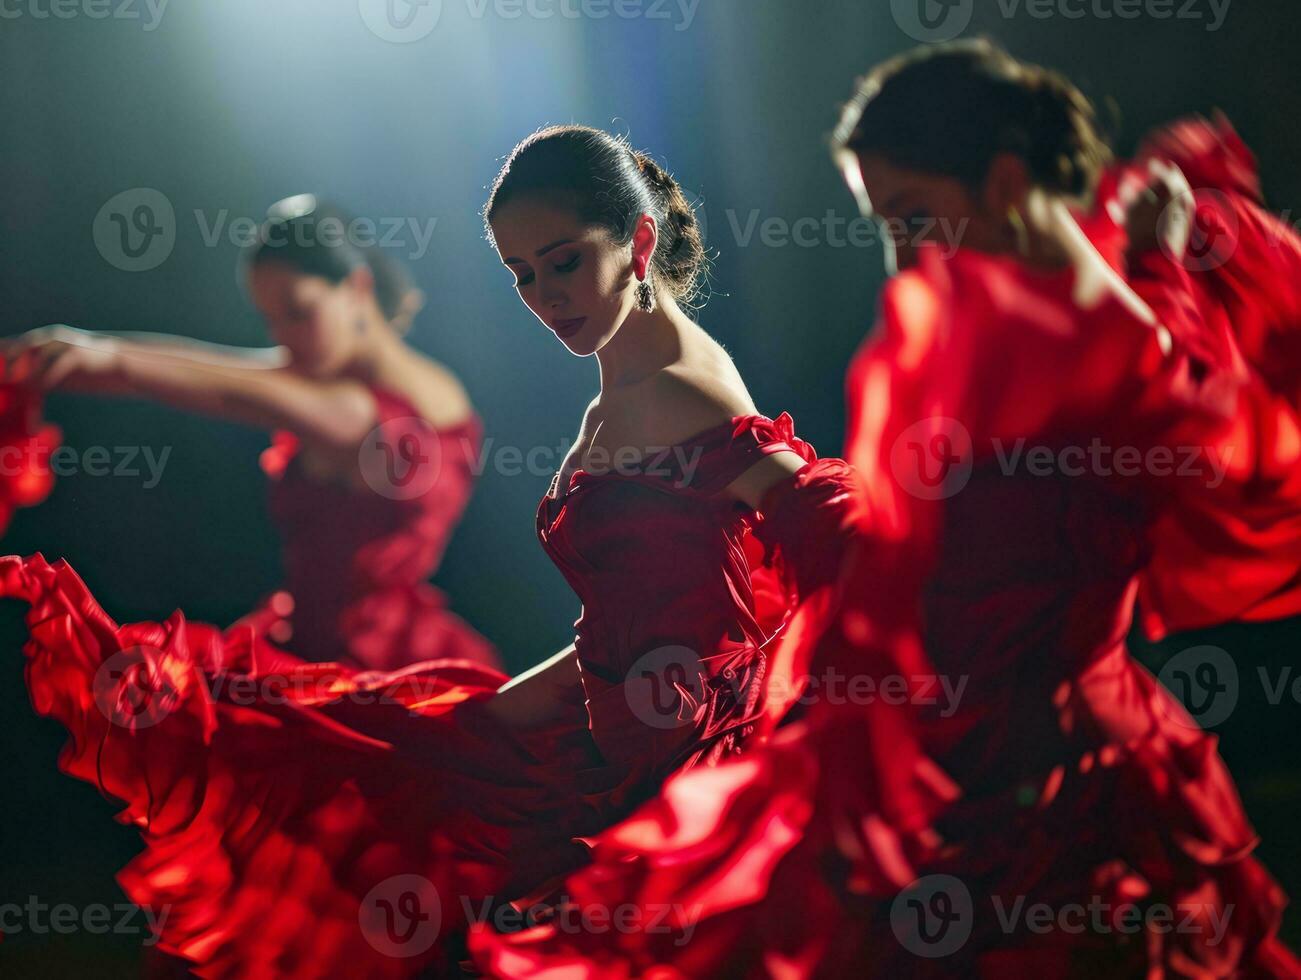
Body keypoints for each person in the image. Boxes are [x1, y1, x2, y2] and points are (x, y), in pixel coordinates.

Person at [470, 41, 1301, 978]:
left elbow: (886, 539)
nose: (899, 252)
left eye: (910, 215)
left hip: (1052, 754)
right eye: (882, 223)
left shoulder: (1102, 336)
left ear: (996, 181)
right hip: (954, 737)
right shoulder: (973, 328)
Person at [0, 139, 852, 976]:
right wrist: (496, 715)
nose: (544, 296)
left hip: (668, 769)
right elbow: (644, 609)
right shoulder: (630, 384)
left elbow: (819, 519)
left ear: (636, 242)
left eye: (562, 263)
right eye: (521, 274)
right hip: (603, 740)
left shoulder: (670, 387)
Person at [3, 195, 497, 672]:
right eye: (272, 320)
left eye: (299, 312)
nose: (284, 336)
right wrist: (68, 356)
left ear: (357, 288)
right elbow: (215, 368)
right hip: (309, 639)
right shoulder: (360, 380)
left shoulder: (366, 411)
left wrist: (108, 354)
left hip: (374, 665)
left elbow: (230, 391)